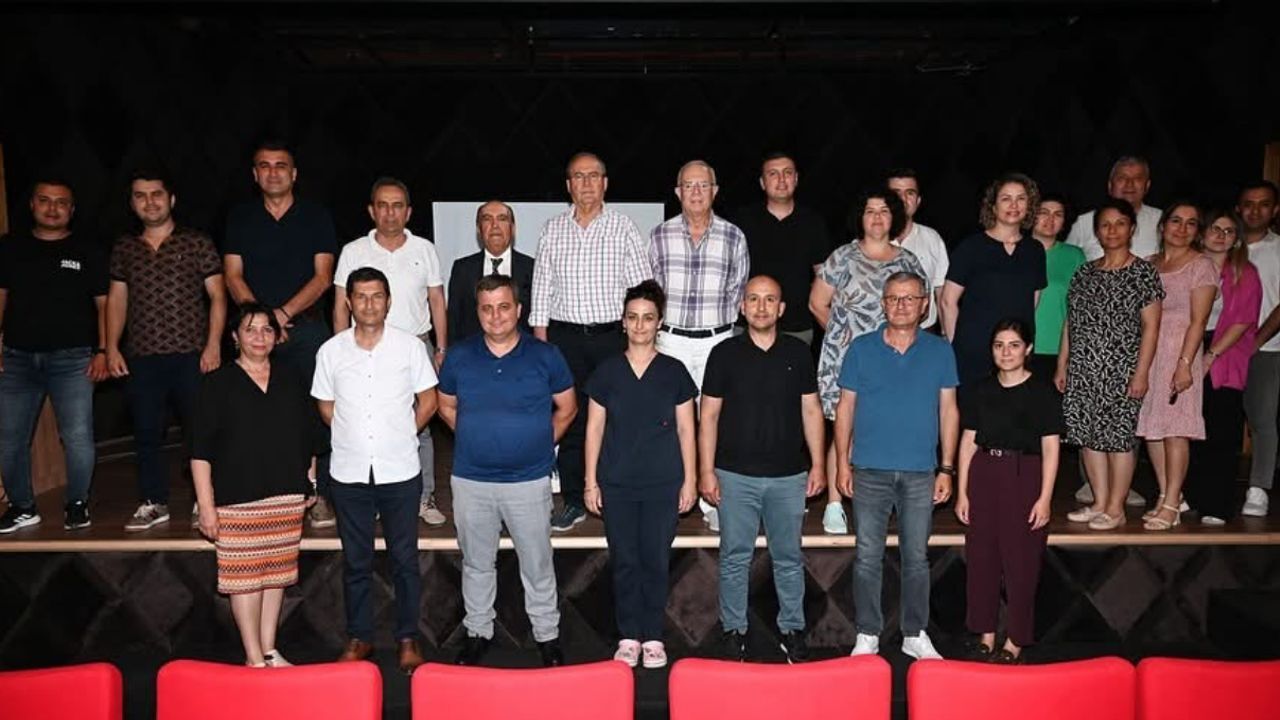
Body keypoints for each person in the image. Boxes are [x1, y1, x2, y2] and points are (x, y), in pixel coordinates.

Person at [439, 274, 576, 668]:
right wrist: (473, 434)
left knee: (538, 564)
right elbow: (445, 405)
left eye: (503, 307)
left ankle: (547, 636)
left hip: (528, 481)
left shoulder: (545, 355)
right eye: (486, 308)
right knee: (476, 563)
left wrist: (540, 443)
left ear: (518, 310)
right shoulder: (460, 356)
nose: (495, 316)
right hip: (471, 480)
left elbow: (567, 408)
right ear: (477, 312)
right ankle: (477, 632)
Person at [312, 267, 438, 674]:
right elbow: (326, 406)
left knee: (404, 559)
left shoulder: (410, 348)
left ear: (389, 301)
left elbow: (429, 401)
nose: (369, 304)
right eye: (361, 297)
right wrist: (354, 435)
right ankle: (359, 636)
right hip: (349, 472)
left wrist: (401, 432)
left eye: (377, 296)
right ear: (349, 302)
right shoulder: (331, 351)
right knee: (356, 560)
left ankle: (408, 637)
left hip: (400, 469)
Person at [699, 275, 826, 664]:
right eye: (753, 299)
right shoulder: (723, 354)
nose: (761, 306)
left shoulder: (798, 353)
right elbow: (708, 416)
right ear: (742, 307)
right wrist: (706, 470)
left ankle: (792, 630)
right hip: (734, 475)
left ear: (782, 308)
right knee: (734, 558)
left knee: (788, 557)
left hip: (788, 476)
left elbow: (811, 410)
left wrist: (818, 464)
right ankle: (733, 631)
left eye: (770, 299)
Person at [835, 271, 959, 661]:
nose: (901, 305)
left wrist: (947, 468)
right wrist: (842, 464)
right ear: (882, 304)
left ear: (925, 304)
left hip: (921, 471)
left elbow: (949, 411)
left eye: (909, 298)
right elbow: (845, 409)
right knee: (867, 556)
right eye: (893, 298)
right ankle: (867, 632)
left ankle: (914, 632)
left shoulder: (940, 351)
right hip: (869, 469)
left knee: (916, 558)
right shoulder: (861, 349)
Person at [190, 303, 320, 668]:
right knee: (244, 580)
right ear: (235, 337)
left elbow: (308, 437)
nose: (259, 337)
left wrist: (309, 482)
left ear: (277, 337)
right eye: (250, 329)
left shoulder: (291, 378)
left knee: (276, 575)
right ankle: (252, 657)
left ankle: (268, 649)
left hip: (286, 494)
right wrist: (206, 506)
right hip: (236, 499)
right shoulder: (217, 383)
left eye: (267, 329)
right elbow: (200, 452)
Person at [530, 152, 650, 532]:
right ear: (568, 185)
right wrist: (542, 347)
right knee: (571, 418)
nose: (586, 183)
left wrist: (641, 340)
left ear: (605, 183)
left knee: (620, 419)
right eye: (578, 177)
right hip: (565, 340)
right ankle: (573, 499)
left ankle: (616, 494)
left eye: (593, 176)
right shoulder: (553, 229)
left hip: (614, 338)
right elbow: (541, 290)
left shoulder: (623, 227)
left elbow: (642, 289)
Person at [223, 140, 338, 528]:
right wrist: (263, 323)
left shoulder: (316, 216)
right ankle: (263, 493)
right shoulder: (240, 218)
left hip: (306, 330)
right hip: (254, 333)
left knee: (317, 410)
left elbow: (323, 277)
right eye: (265, 166)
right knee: (254, 414)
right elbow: (232, 276)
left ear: (294, 174)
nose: (273, 172)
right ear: (255, 174)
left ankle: (318, 493)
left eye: (281, 165)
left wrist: (283, 315)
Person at [583, 280, 697, 670]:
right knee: (626, 561)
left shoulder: (674, 372)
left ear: (659, 322)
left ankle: (653, 636)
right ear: (623, 322)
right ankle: (628, 636)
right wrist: (590, 481)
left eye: (648, 318)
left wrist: (690, 480)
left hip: (663, 482)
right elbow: (594, 429)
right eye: (632, 317)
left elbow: (687, 430)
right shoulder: (607, 372)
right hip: (617, 482)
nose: (640, 325)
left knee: (655, 560)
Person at [107, 171, 227, 532]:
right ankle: (153, 501)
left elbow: (218, 296)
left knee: (199, 431)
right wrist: (110, 347)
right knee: (146, 433)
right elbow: (117, 299)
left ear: (171, 199)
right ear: (132, 203)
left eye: (156, 194)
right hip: (142, 356)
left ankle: (203, 500)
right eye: (140, 196)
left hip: (192, 354)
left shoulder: (196, 242)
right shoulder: (125, 248)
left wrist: (213, 344)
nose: (150, 202)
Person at [334, 177, 448, 527]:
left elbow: (436, 300)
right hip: (364, 349)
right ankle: (375, 497)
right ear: (372, 211)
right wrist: (341, 351)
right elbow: (340, 304)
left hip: (416, 346)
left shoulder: (424, 249)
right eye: (382, 206)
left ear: (408, 212)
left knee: (422, 425)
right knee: (367, 421)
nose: (390, 213)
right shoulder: (353, 251)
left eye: (397, 206)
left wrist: (441, 348)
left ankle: (424, 496)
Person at [810, 188, 925, 535]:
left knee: (885, 428)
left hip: (894, 360)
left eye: (884, 211)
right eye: (870, 211)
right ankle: (834, 504)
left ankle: (883, 502)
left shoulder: (908, 262)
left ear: (895, 218)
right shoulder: (842, 257)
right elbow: (817, 303)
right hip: (847, 358)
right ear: (860, 218)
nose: (877, 217)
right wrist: (845, 337)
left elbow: (923, 308)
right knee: (844, 429)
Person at [0, 178, 109, 534]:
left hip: (73, 359)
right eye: (45, 201)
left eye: (61, 202)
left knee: (77, 436)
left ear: (71, 210)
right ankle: (22, 506)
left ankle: (77, 503)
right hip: (16, 359)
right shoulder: (10, 247)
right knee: (9, 439)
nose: (52, 208)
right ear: (32, 205)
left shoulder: (88, 250)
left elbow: (104, 304)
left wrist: (104, 350)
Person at [650, 159, 749, 533]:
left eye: (703, 185)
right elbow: (651, 291)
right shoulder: (659, 235)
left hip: (717, 341)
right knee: (668, 422)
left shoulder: (734, 237)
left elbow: (739, 292)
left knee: (715, 421)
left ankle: (712, 500)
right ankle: (671, 494)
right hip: (670, 339)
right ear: (677, 192)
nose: (695, 192)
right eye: (688, 185)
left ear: (715, 191)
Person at [955, 319, 1061, 664]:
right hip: (984, 472)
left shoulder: (1043, 392)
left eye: (1014, 345)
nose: (1006, 352)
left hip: (1024, 474)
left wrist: (1045, 498)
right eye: (999, 345)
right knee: (981, 558)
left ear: (1028, 349)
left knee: (1021, 562)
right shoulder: (980, 390)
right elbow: (968, 442)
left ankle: (1015, 639)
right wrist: (962, 491)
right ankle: (985, 633)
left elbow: (1051, 448)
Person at [1057, 200, 1164, 531]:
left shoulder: (1143, 273)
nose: (1112, 230)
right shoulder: (1085, 272)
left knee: (1118, 438)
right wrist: (1062, 364)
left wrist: (1141, 373)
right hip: (1083, 368)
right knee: (1088, 437)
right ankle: (1100, 503)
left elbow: (1151, 327)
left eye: (1120, 223)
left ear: (1132, 229)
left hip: (1122, 370)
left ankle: (1116, 508)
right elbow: (1071, 322)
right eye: (1105, 224)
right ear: (1096, 231)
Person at [1135, 203, 1218, 531]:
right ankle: (1168, 496)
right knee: (1153, 429)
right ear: (1163, 225)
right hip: (1149, 356)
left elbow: (1199, 322)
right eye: (1176, 221)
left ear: (1197, 231)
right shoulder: (1147, 264)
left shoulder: (1202, 265)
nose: (1182, 229)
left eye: (1191, 223)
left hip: (1180, 354)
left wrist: (1184, 364)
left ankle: (1171, 503)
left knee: (1176, 430)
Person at [1186, 210, 1261, 525]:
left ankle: (1216, 505)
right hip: (1187, 349)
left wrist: (1210, 355)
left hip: (1225, 353)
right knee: (1188, 431)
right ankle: (1189, 496)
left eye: (1229, 231)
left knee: (1221, 431)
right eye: (1215, 229)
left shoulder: (1245, 272)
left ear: (1237, 239)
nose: (1221, 235)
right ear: (1202, 233)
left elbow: (1243, 321)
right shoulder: (1189, 265)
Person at [941, 173, 1047, 386]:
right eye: (1006, 198)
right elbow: (947, 301)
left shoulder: (1035, 250)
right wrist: (956, 345)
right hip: (974, 352)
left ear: (1029, 206)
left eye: (1021, 198)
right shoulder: (971, 247)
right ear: (993, 206)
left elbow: (1034, 299)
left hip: (1015, 353)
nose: (1014, 205)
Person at [732, 153, 830, 345]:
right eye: (773, 174)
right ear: (762, 183)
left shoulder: (813, 222)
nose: (781, 179)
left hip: (797, 328)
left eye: (787, 173)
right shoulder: (742, 220)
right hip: (748, 326)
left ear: (796, 179)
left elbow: (823, 275)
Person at [1239, 181, 1280, 517]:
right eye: (1248, 204)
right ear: (1239, 208)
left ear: (1275, 210)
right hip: (1220, 347)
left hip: (1266, 348)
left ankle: (1259, 487)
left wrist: (1257, 340)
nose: (1255, 210)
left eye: (1263, 204)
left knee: (1263, 418)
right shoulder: (1225, 242)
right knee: (1215, 419)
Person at [447, 200, 535, 343]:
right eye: (487, 219)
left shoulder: (532, 268)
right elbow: (454, 320)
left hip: (522, 352)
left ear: (512, 228)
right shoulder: (462, 269)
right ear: (479, 229)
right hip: (473, 352)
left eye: (502, 219)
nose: (495, 225)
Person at [1029, 193, 1085, 380]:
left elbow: (1081, 308)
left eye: (1058, 214)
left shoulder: (1074, 255)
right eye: (1044, 212)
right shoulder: (1015, 249)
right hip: (1016, 346)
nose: (1050, 219)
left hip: (1058, 349)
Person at [1065, 156, 1164, 261]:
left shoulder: (1162, 221)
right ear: (1110, 185)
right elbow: (1066, 261)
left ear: (1147, 186)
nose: (1129, 184)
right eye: (1122, 178)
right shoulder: (1084, 223)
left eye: (1137, 179)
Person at [888, 168, 950, 331]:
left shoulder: (932, 239)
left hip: (925, 333)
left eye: (910, 193)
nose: (903, 199)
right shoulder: (866, 242)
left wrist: (946, 336)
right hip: (878, 336)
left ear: (918, 201)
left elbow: (943, 296)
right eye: (896, 193)